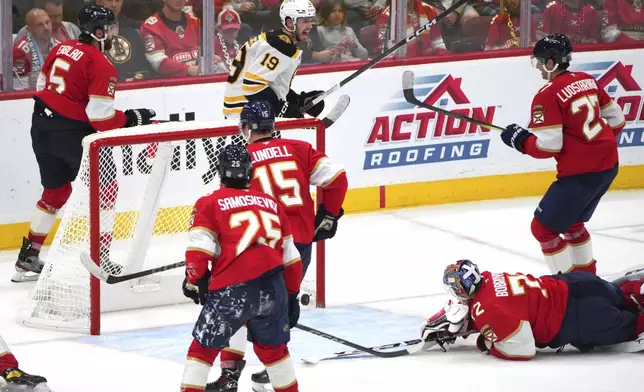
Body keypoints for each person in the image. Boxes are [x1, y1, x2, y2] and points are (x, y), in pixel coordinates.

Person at [209, 100, 348, 392]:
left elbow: (228, 208)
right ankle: (274, 372)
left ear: (246, 128)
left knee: (237, 306)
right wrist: (329, 214)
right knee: (278, 311)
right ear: (273, 125)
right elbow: (337, 178)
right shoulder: (299, 149)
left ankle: (230, 376)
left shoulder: (242, 158)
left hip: (261, 245)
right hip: (299, 244)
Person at [13, 4, 156, 283]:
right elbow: (100, 118)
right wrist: (131, 118)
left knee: (55, 193)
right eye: (111, 28)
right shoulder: (101, 63)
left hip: (41, 126)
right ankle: (100, 258)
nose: (114, 33)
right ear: (99, 31)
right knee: (107, 189)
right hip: (72, 134)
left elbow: (43, 85)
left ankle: (28, 257)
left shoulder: (60, 48)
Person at [179, 144, 303, 392]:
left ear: (220, 172)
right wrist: (291, 296)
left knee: (202, 351)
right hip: (273, 287)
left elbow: (198, 253)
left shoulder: (210, 202)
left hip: (232, 289)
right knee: (275, 352)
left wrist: (195, 279)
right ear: (249, 172)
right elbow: (292, 259)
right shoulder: (271, 204)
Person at [499, 34, 626, 275]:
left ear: (551, 63)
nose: (537, 66)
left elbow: (548, 147)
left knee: (543, 229)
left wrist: (520, 141)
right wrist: (592, 144)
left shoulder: (547, 94)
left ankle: (570, 289)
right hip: (609, 166)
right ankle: (587, 280)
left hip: (580, 174)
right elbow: (618, 120)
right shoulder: (587, 80)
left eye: (539, 61)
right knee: (573, 223)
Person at [420, 259, 644, 360]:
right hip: (580, 283)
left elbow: (523, 350)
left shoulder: (486, 310)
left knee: (633, 327)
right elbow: (508, 303)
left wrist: (486, 341)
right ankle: (636, 289)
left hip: (581, 317)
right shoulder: (489, 277)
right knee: (623, 296)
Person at [222, 0, 325, 121]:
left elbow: (270, 85)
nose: (310, 26)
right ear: (289, 22)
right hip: (245, 119)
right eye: (305, 21)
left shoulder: (275, 40)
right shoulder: (279, 46)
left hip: (245, 114)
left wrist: (298, 100)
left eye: (310, 20)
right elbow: (252, 86)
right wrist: (282, 109)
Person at [140, 0, 200, 77]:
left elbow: (210, 55)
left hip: (199, 81)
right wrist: (189, 70)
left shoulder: (195, 22)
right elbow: (158, 63)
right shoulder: (150, 27)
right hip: (169, 84)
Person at [13, 8, 56, 90]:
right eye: (40, 25)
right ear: (29, 30)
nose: (46, 28)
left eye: (47, 22)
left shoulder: (60, 46)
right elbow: (15, 83)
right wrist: (28, 82)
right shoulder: (20, 51)